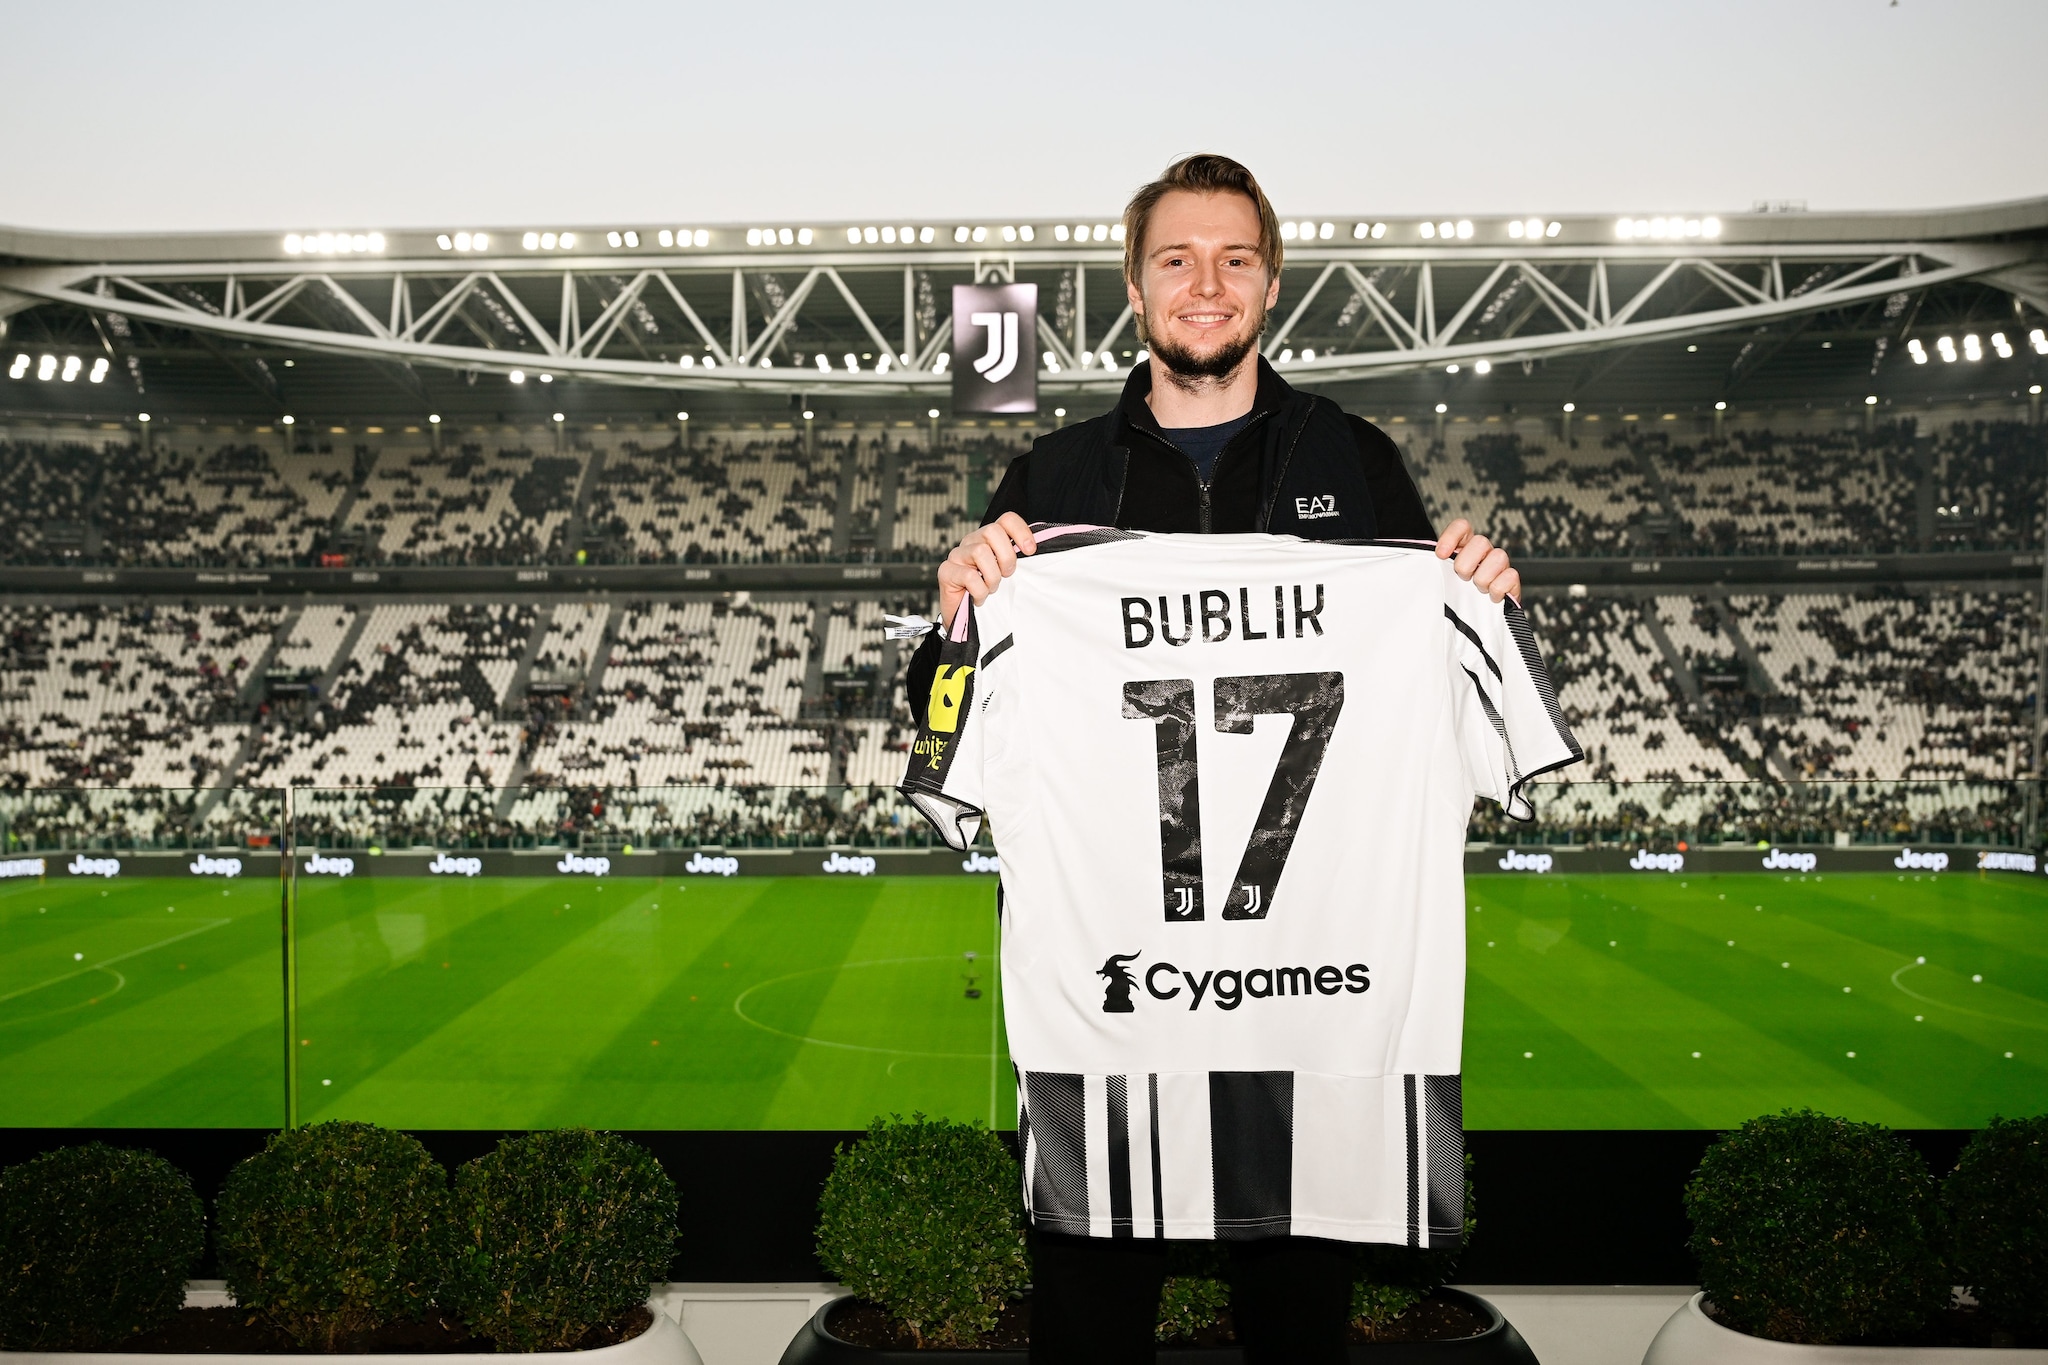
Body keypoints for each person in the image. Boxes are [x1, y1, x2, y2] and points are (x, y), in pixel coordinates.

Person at [903, 154, 1522, 1365]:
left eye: (1234, 259)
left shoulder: (1352, 459)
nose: (1205, 283)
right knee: (1086, 1338)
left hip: (1308, 1002)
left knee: (1299, 1340)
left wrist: (1478, 605)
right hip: (1113, 1007)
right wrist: (952, 625)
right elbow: (937, 721)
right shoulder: (1053, 475)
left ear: (1271, 283)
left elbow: (1431, 695)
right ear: (1134, 288)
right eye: (1176, 259)